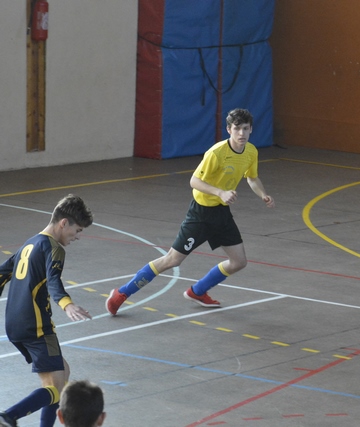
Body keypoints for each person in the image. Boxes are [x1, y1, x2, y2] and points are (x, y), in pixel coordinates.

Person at [106, 108, 275, 316]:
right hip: (201, 214)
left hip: (221, 214)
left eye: (246, 129)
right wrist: (220, 192)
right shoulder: (217, 153)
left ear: (251, 130)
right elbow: (194, 181)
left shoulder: (251, 152)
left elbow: (252, 178)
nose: (242, 133)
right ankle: (121, 293)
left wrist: (263, 194)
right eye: (237, 129)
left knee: (239, 262)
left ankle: (198, 291)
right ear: (229, 130)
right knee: (172, 260)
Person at [0, 194, 94, 427]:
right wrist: (67, 304)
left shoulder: (30, 243)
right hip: (37, 326)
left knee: (62, 373)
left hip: (13, 325)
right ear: (64, 223)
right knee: (55, 387)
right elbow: (54, 282)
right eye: (77, 230)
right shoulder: (54, 248)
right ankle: (8, 416)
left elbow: (3, 272)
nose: (77, 236)